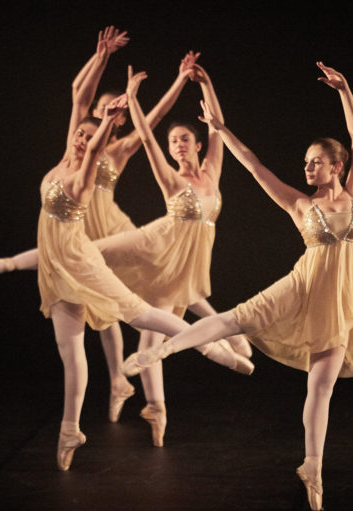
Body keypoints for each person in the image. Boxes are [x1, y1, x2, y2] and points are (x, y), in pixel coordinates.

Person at [123, 62, 353, 510]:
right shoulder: (300, 205)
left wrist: (345, 91)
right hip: (302, 286)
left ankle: (313, 469)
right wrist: (222, 129)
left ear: (337, 166)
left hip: (340, 307)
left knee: (321, 387)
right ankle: (161, 351)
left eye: (315, 161)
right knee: (234, 319)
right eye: (305, 162)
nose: (307, 167)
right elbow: (256, 167)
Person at [0, 28, 251, 427]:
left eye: (110, 110)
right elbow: (78, 95)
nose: (102, 112)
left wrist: (174, 83)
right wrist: (101, 57)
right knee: (107, 301)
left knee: (156, 285)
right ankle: (120, 378)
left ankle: (214, 338)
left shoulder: (117, 149)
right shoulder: (77, 147)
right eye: (100, 109)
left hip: (108, 227)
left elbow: (154, 122)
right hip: (77, 230)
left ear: (117, 118)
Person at [92, 62, 249, 447]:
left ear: (197, 145)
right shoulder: (171, 178)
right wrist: (134, 99)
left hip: (186, 263)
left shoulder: (212, 170)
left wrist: (206, 82)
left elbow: (217, 127)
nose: (177, 144)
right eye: (173, 141)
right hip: (160, 251)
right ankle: (221, 339)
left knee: (150, 342)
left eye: (183, 139)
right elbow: (147, 139)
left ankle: (156, 409)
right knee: (89, 253)